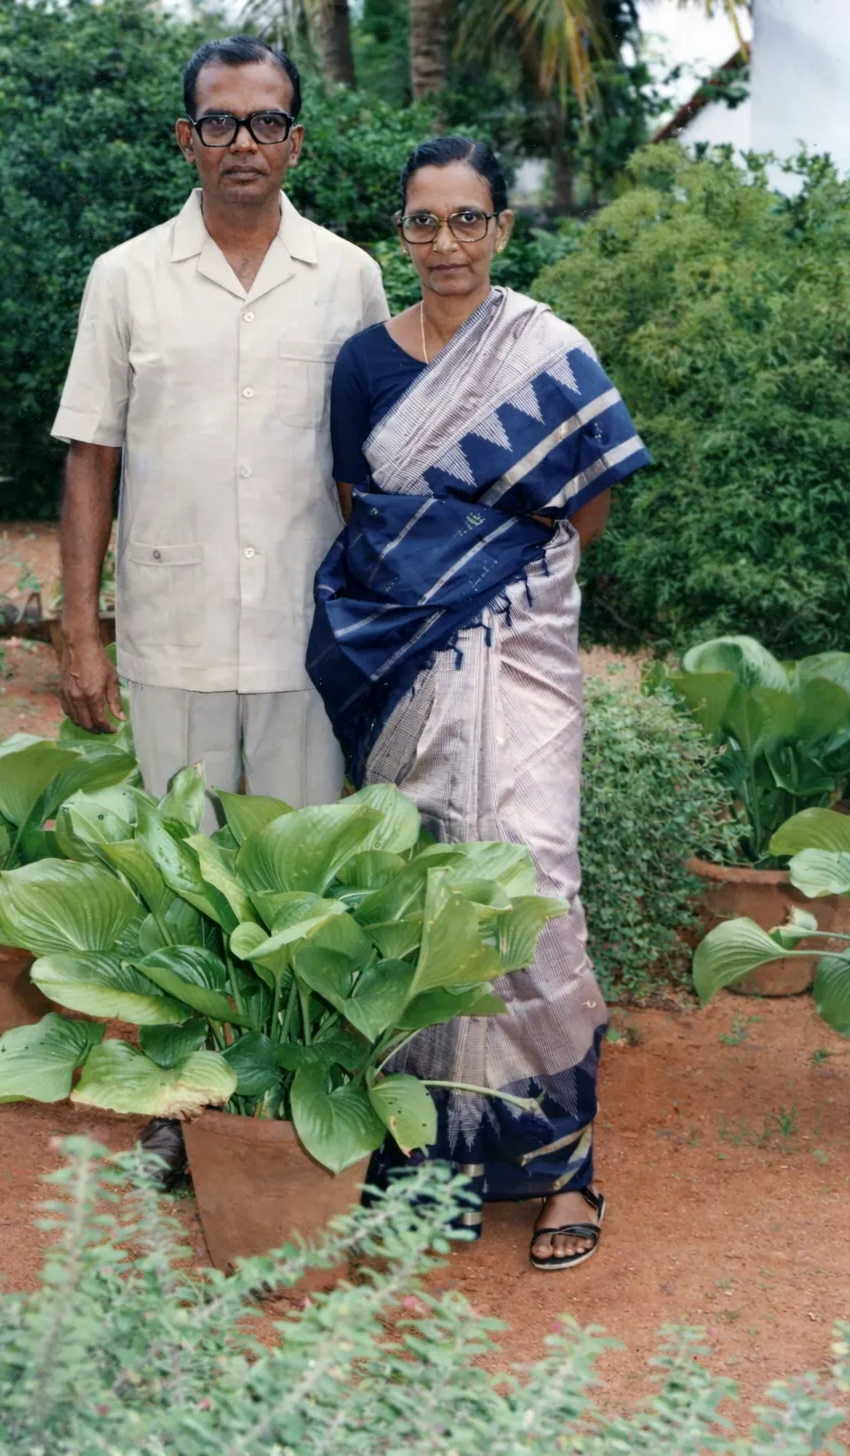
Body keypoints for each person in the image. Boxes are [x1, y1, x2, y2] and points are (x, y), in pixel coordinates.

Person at [308, 136, 651, 1271]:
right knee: (415, 893)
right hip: (398, 675)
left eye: (467, 220)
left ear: (502, 229)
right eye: (422, 221)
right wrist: (445, 574)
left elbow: (583, 515)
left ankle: (562, 1169)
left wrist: (486, 581)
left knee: (537, 890)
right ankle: (426, 1161)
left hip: (524, 660)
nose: (444, 244)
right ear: (398, 231)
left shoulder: (546, 354)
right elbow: (366, 510)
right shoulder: (364, 361)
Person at [52, 35, 389, 816]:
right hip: (174, 628)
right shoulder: (125, 277)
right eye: (219, 124)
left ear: (295, 144)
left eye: (267, 124)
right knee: (178, 871)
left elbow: (373, 466)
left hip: (308, 628)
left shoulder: (351, 278)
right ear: (186, 139)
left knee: (296, 875)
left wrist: (380, 623)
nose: (243, 144)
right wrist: (78, 629)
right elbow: (91, 455)